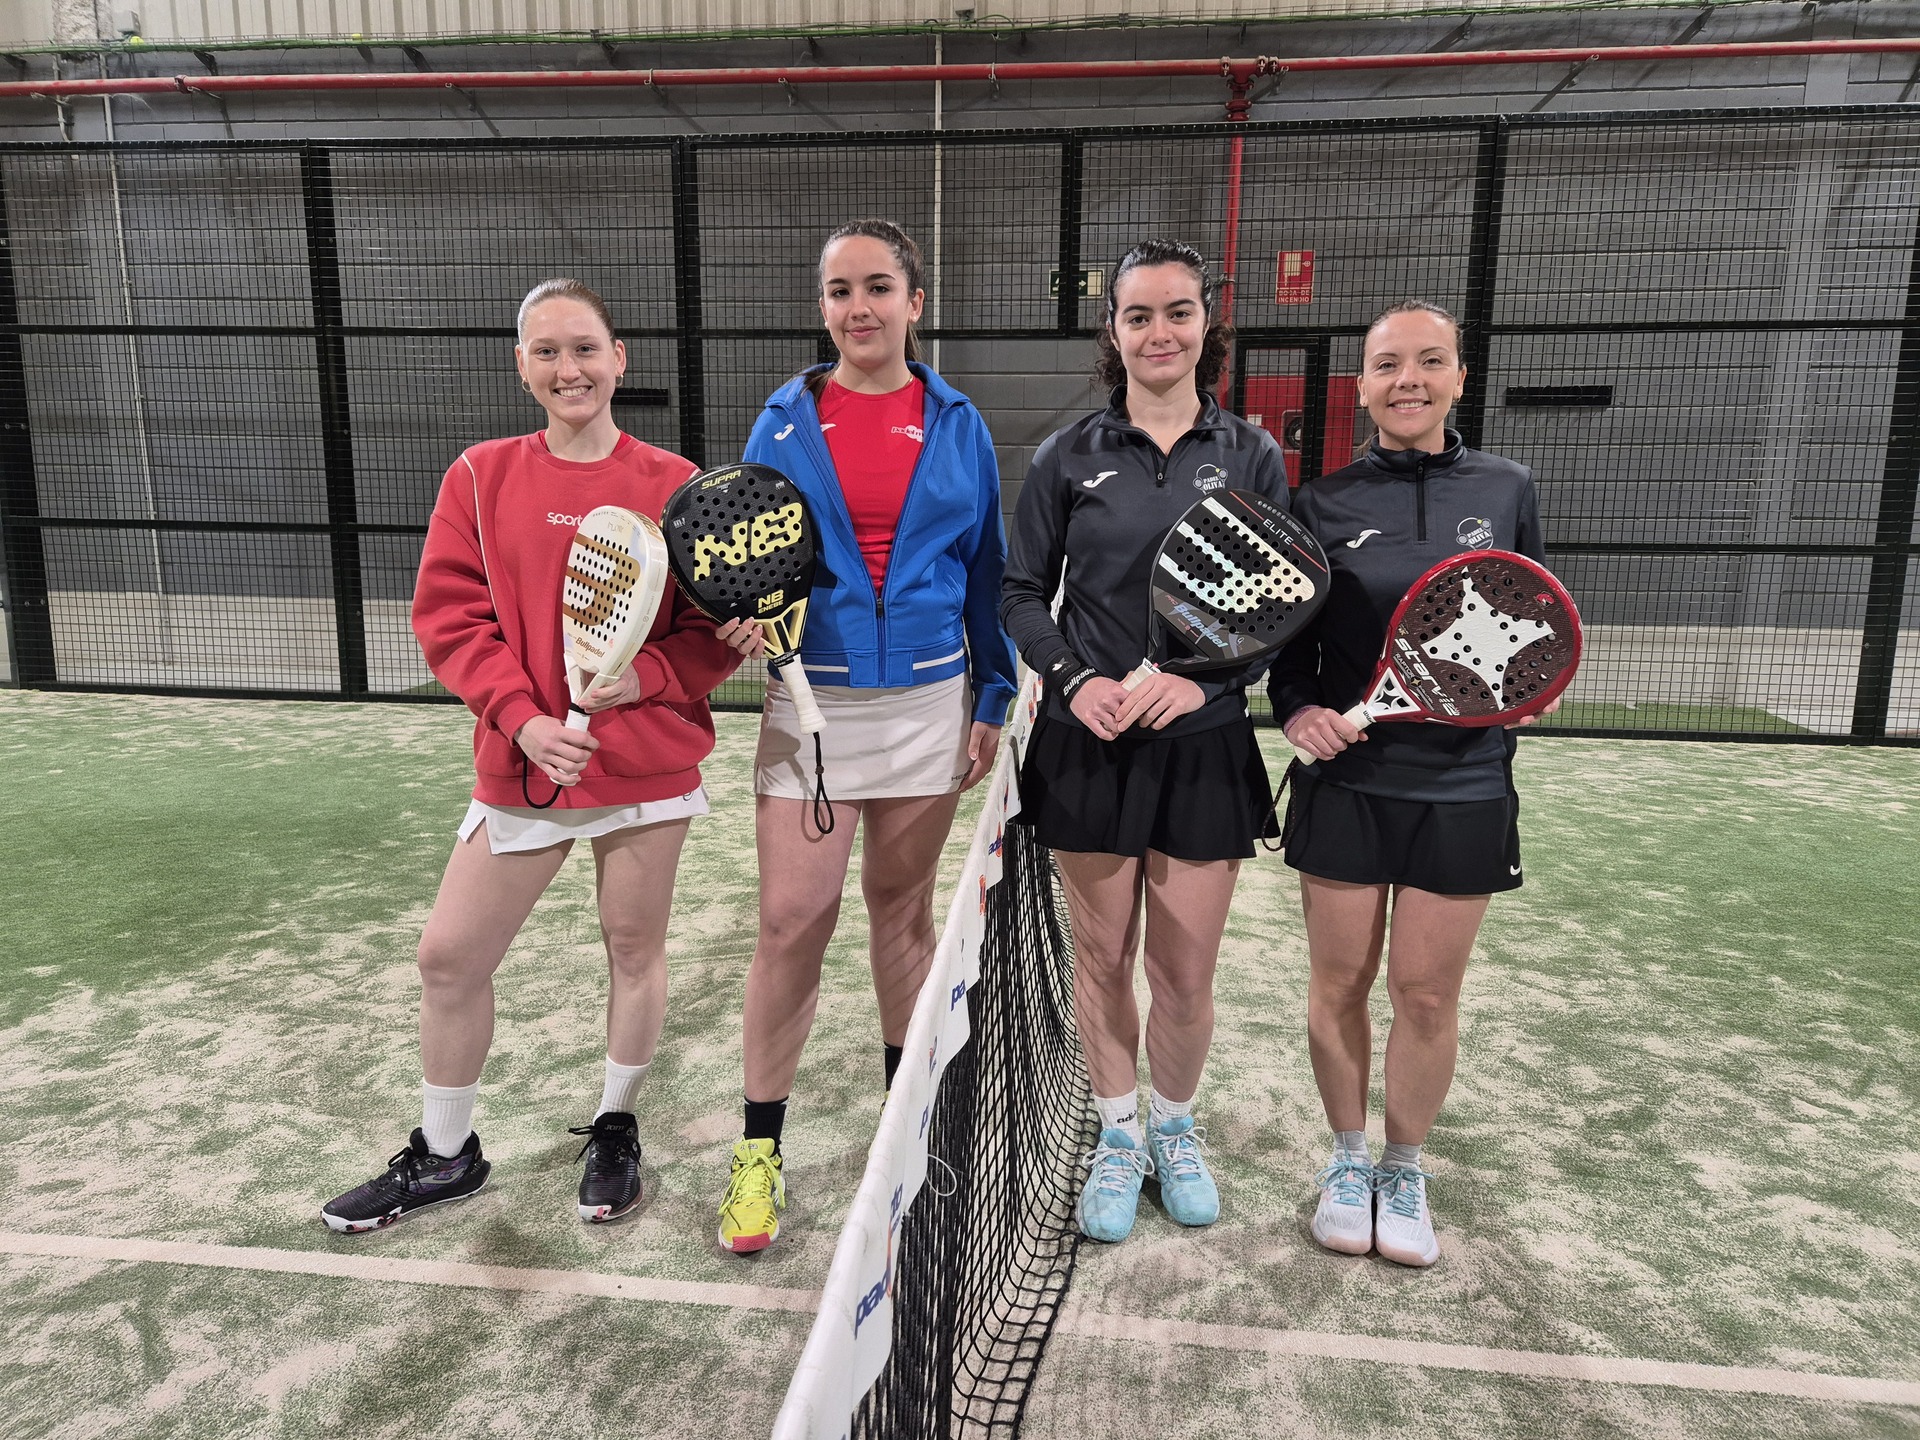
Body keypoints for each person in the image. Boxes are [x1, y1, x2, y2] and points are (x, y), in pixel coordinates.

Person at [321, 278, 737, 1234]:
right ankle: (446, 1154)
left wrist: (646, 681)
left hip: (646, 767)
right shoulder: (479, 475)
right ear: (522, 367)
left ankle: (616, 1129)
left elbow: (710, 636)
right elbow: (451, 620)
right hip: (528, 767)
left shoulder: (676, 482)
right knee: (449, 958)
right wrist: (522, 721)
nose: (568, 368)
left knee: (633, 948)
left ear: (619, 358)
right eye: (546, 351)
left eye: (585, 348)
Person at [713, 219, 1018, 1254]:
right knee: (791, 922)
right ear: (823, 307)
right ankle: (758, 1151)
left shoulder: (959, 423)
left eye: (878, 286)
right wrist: (744, 622)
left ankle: (907, 1133)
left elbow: (986, 570)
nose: (859, 308)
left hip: (929, 705)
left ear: (914, 302)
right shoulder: (783, 422)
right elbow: (746, 552)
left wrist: (991, 696)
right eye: (840, 290)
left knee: (902, 914)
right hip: (812, 705)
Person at [1000, 239, 1289, 1243]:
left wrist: (1203, 680)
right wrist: (1074, 681)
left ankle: (1174, 1126)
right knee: (1102, 958)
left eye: (1178, 312)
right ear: (1112, 330)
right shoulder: (1067, 456)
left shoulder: (1251, 455)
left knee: (1185, 973)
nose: (1159, 332)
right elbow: (1020, 593)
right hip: (1090, 742)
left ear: (1207, 323)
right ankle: (1118, 1134)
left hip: (1203, 746)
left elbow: (1280, 604)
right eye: (1138, 315)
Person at [1269, 299, 1559, 1268]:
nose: (1409, 381)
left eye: (1430, 362)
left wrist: (1532, 688)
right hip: (1349, 781)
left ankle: (1404, 1168)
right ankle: (1347, 1161)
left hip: (1465, 785)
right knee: (1340, 984)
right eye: (1390, 364)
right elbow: (1293, 655)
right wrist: (1299, 713)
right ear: (1362, 386)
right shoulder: (1321, 504)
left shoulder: (1508, 488)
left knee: (1426, 995)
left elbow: (1531, 618)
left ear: (1459, 378)